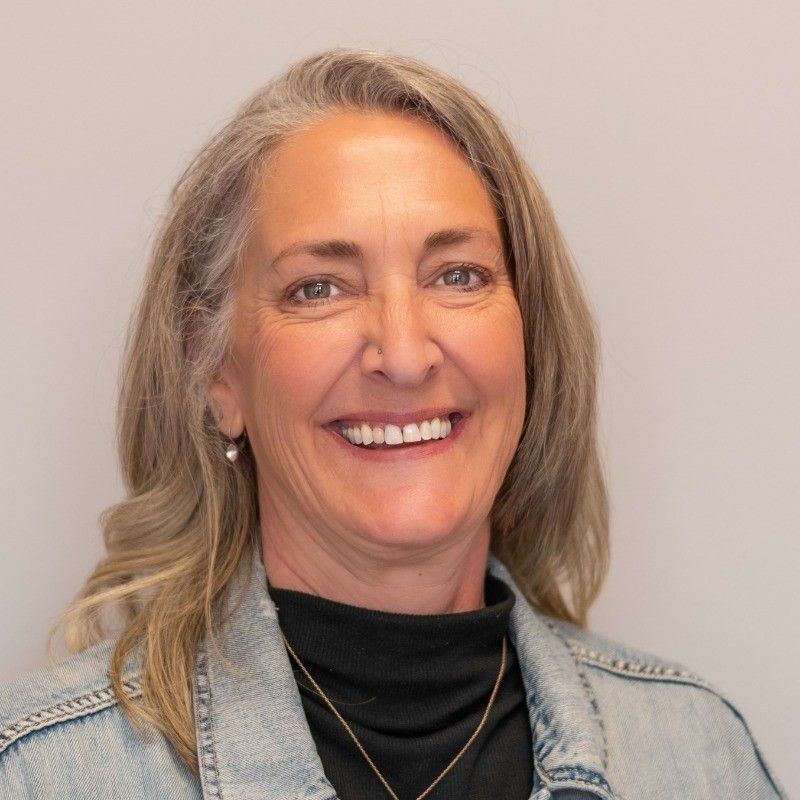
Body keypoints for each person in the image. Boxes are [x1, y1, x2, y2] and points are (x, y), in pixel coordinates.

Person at [0, 48, 787, 800]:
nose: (404, 356)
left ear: (528, 338)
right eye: (320, 288)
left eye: (458, 275)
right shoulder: (43, 773)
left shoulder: (698, 754)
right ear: (216, 373)